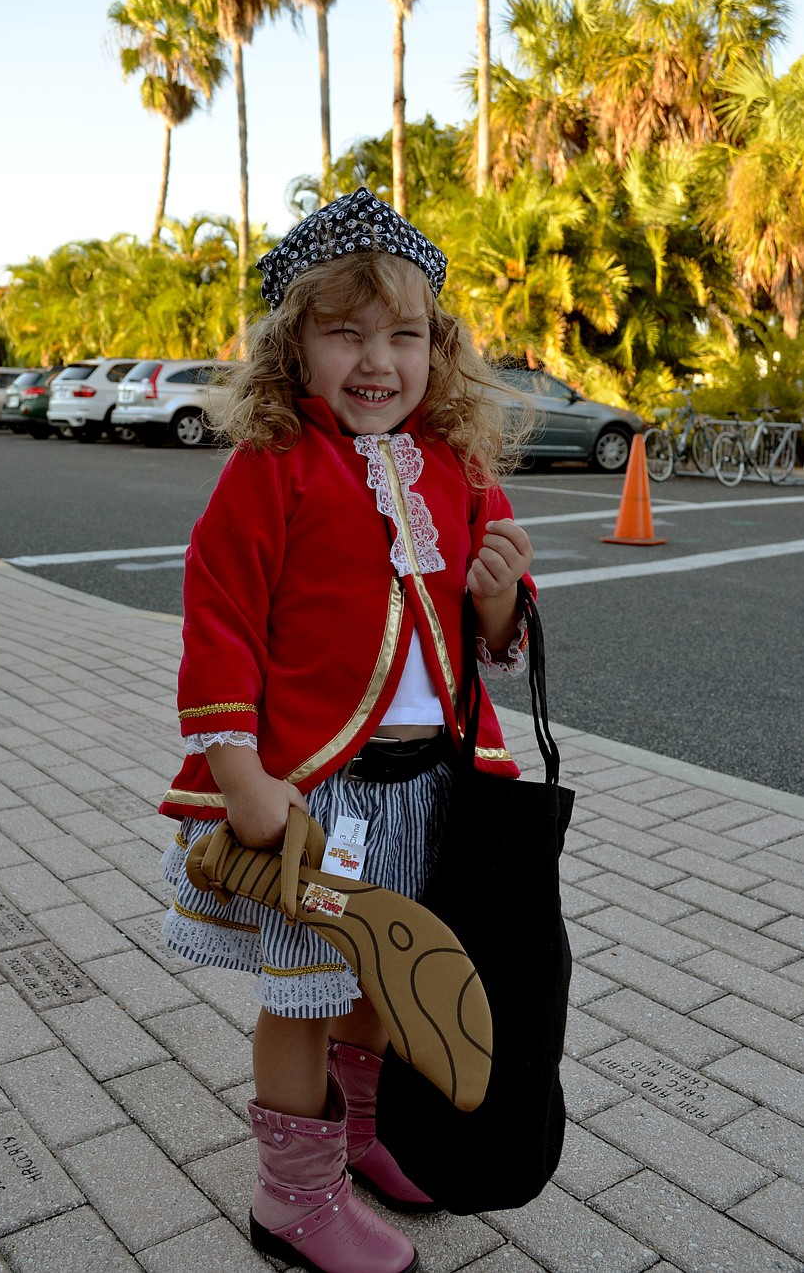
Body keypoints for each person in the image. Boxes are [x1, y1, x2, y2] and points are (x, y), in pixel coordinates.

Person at [158, 187, 535, 1273]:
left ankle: (364, 1137)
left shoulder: (461, 470)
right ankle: (293, 1196)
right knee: (308, 993)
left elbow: (488, 635)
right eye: (344, 332)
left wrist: (502, 599)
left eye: (404, 334)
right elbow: (218, 614)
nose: (377, 359)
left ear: (438, 348)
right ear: (293, 348)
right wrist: (240, 771)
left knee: (380, 977)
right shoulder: (270, 467)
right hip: (312, 798)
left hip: (428, 786)